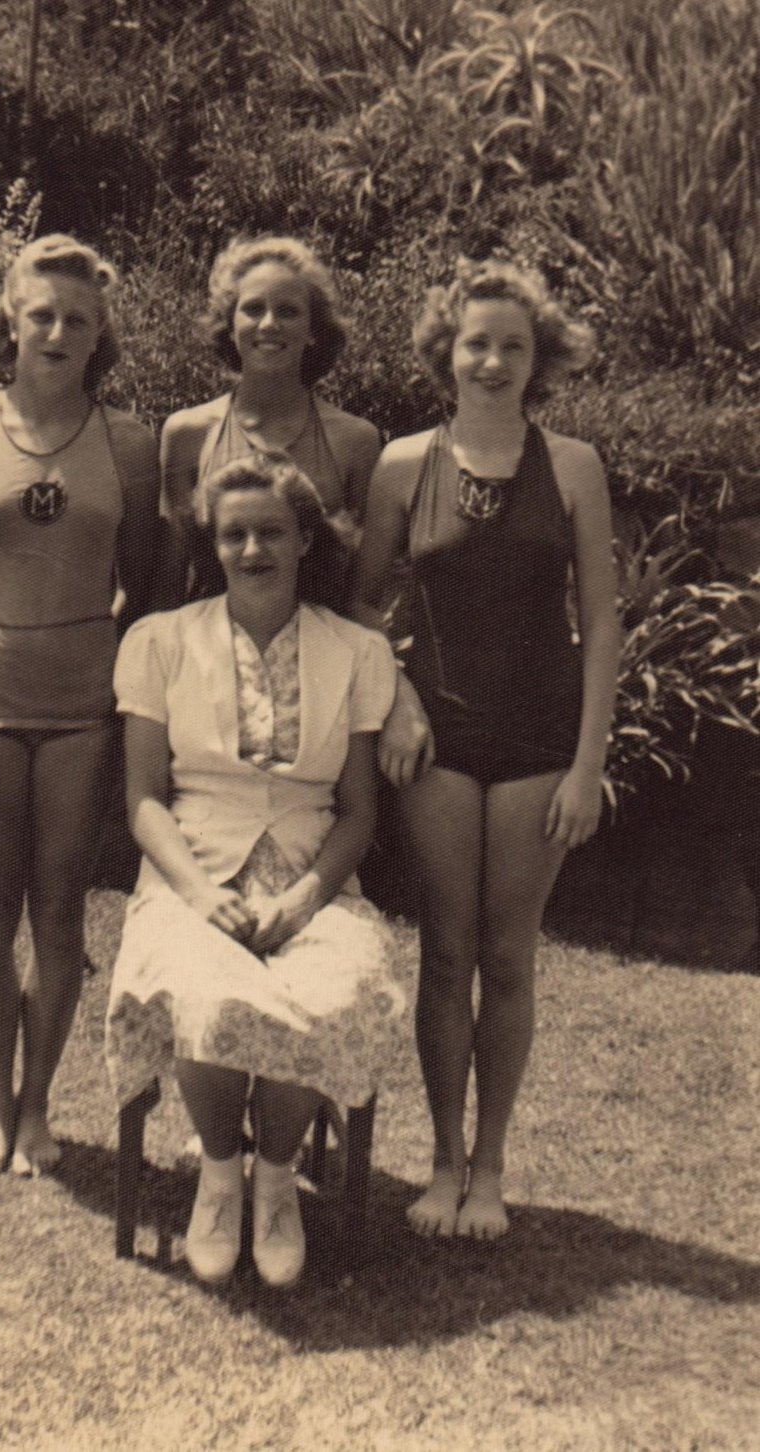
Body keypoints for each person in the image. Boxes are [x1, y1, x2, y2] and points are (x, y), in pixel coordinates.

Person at [354, 258, 619, 1240]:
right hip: (439, 741)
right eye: (477, 342)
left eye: (513, 344)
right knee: (445, 949)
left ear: (536, 356)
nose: (493, 360)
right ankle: (440, 1163)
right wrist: (391, 703)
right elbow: (355, 606)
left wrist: (589, 764)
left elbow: (601, 619)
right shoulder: (399, 464)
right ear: (445, 352)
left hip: (542, 744)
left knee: (508, 957)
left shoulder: (575, 467)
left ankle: (493, 1166)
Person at [105, 454, 405, 1288]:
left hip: (313, 879)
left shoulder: (354, 652)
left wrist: (308, 900)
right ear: (214, 542)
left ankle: (276, 1182)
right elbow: (142, 800)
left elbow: (359, 812)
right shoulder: (160, 641)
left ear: (306, 538)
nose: (252, 549)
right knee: (208, 989)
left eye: (271, 531)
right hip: (190, 874)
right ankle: (219, 1173)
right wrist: (201, 896)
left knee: (332, 991)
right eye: (233, 533)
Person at [0, 234, 159, 1180]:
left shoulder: (131, 443)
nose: (58, 331)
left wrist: (75, 650)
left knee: (60, 911)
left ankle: (36, 1111)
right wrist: (4, 636)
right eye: (41, 315)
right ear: (8, 324)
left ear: (100, 335)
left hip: (80, 705)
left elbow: (141, 581)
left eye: (78, 319)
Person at [159, 235, 381, 603]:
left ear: (313, 330)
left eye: (288, 311)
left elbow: (363, 584)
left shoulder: (355, 441)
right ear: (229, 326)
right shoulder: (188, 435)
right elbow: (170, 577)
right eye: (253, 309)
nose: (269, 324)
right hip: (212, 648)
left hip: (320, 645)